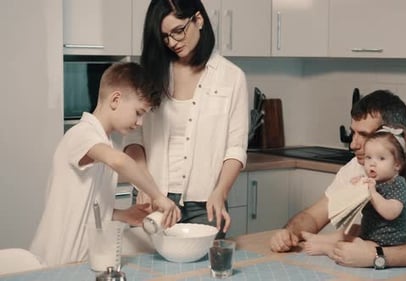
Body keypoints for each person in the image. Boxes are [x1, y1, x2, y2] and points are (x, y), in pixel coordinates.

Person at [270, 90, 406, 268]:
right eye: (353, 133)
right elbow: (314, 217)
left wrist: (376, 256)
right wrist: (289, 234)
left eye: (364, 135)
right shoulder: (359, 166)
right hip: (389, 270)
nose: (353, 144)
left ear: (393, 137)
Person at [30, 62, 181, 266]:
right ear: (115, 99)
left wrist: (123, 215)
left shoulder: (103, 144)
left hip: (80, 263)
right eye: (138, 112)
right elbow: (119, 161)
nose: (140, 123)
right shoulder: (82, 134)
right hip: (55, 263)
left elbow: (88, 208)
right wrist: (158, 196)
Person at [123, 0, 248, 238]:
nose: (172, 42)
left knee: (201, 272)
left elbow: (236, 147)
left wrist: (220, 192)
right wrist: (144, 185)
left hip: (206, 204)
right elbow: (133, 138)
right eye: (165, 37)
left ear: (198, 20)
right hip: (153, 198)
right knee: (148, 272)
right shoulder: (151, 73)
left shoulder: (231, 78)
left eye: (178, 31)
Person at [303, 125, 406, 256]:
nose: (372, 163)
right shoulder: (372, 182)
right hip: (368, 234)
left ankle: (327, 249)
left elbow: (391, 212)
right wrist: (357, 188)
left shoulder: (397, 184)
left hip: (385, 244)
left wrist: (372, 193)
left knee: (353, 249)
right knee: (351, 230)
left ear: (397, 164)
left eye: (381, 158)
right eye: (368, 157)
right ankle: (319, 239)